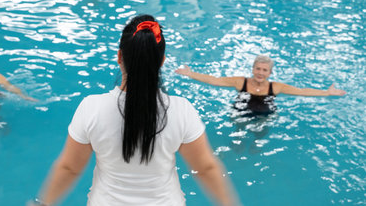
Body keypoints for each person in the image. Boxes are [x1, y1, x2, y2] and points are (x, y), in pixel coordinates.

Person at [28, 15, 239, 206]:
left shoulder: (92, 108)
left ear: (120, 56)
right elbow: (205, 169)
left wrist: (42, 203)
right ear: (162, 61)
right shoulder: (181, 110)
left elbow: (70, 168)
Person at [175, 55, 346, 115]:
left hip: (265, 112)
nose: (260, 72)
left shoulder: (276, 87)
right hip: (242, 110)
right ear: (252, 69)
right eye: (258, 68)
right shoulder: (240, 82)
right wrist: (191, 74)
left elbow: (301, 91)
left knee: (259, 139)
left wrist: (326, 92)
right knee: (238, 139)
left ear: (269, 73)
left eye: (264, 70)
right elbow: (215, 80)